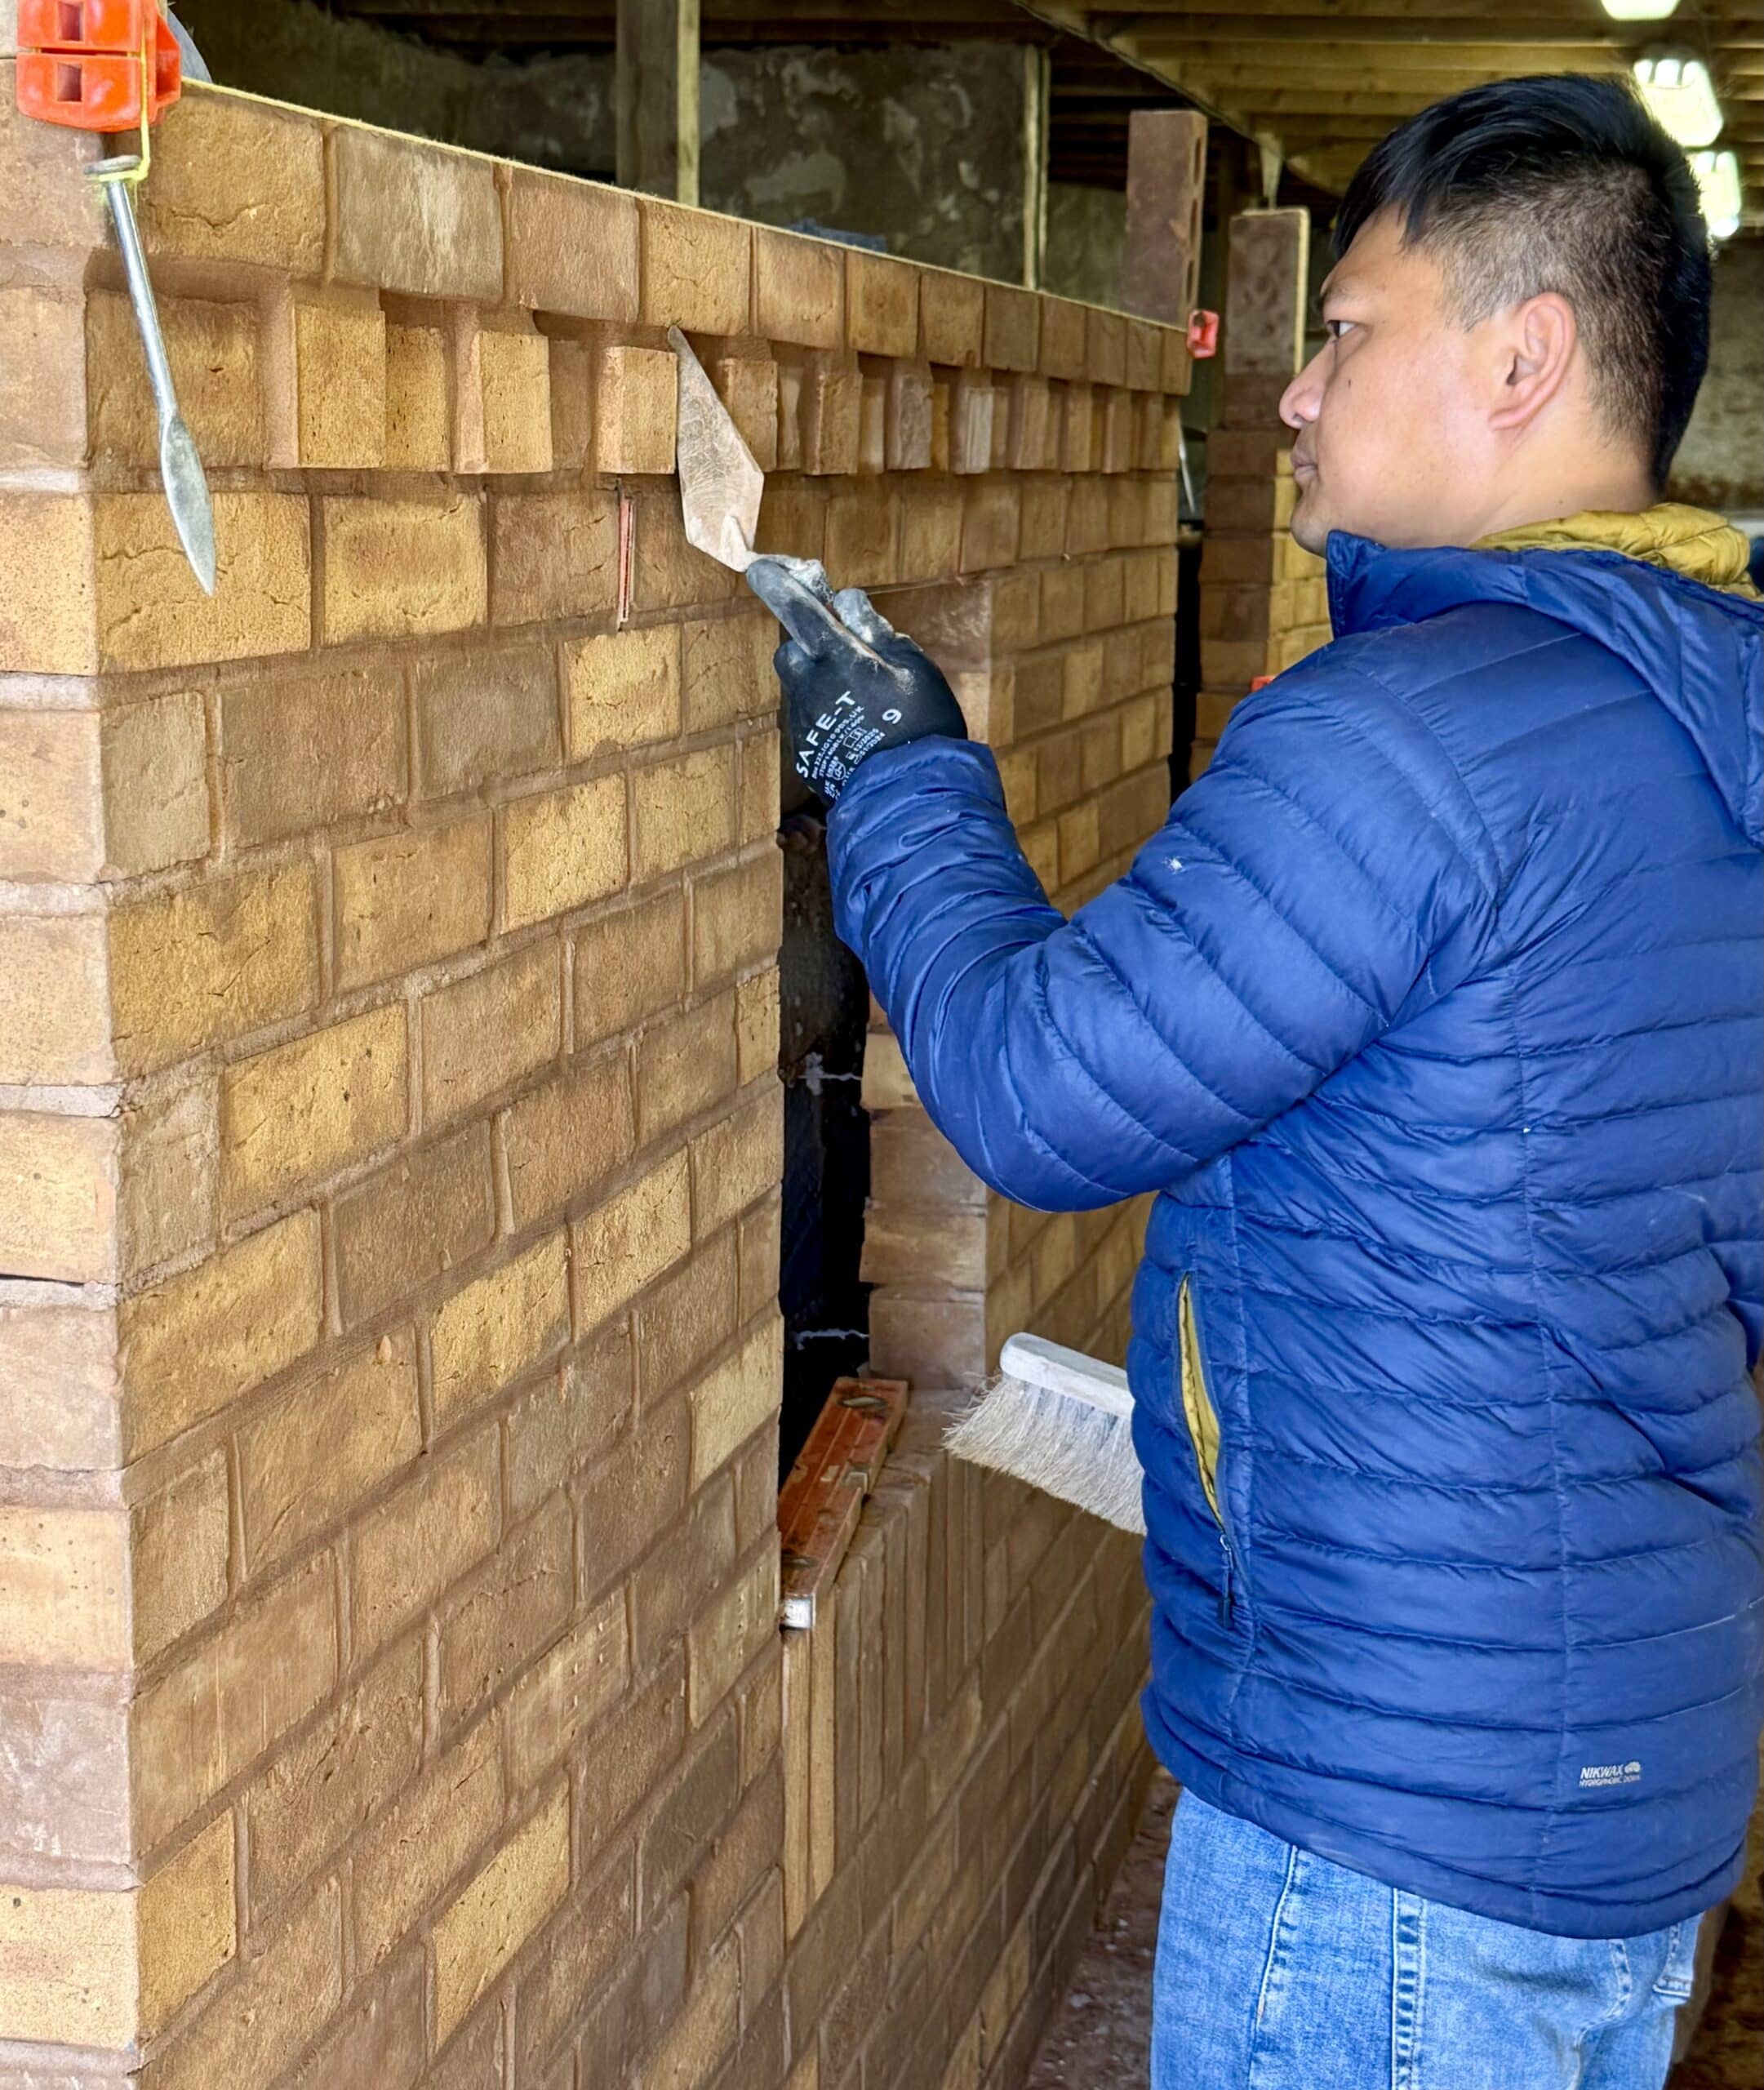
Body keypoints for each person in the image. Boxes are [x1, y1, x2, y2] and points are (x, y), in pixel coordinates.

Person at [749, 71, 1762, 2090]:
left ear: (1521, 354)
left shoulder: (1404, 737)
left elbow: (1039, 1092)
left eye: (1347, 329)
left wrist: (894, 775)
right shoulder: (1701, 728)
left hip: (1393, 1828)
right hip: (1619, 1780)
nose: (1295, 395)